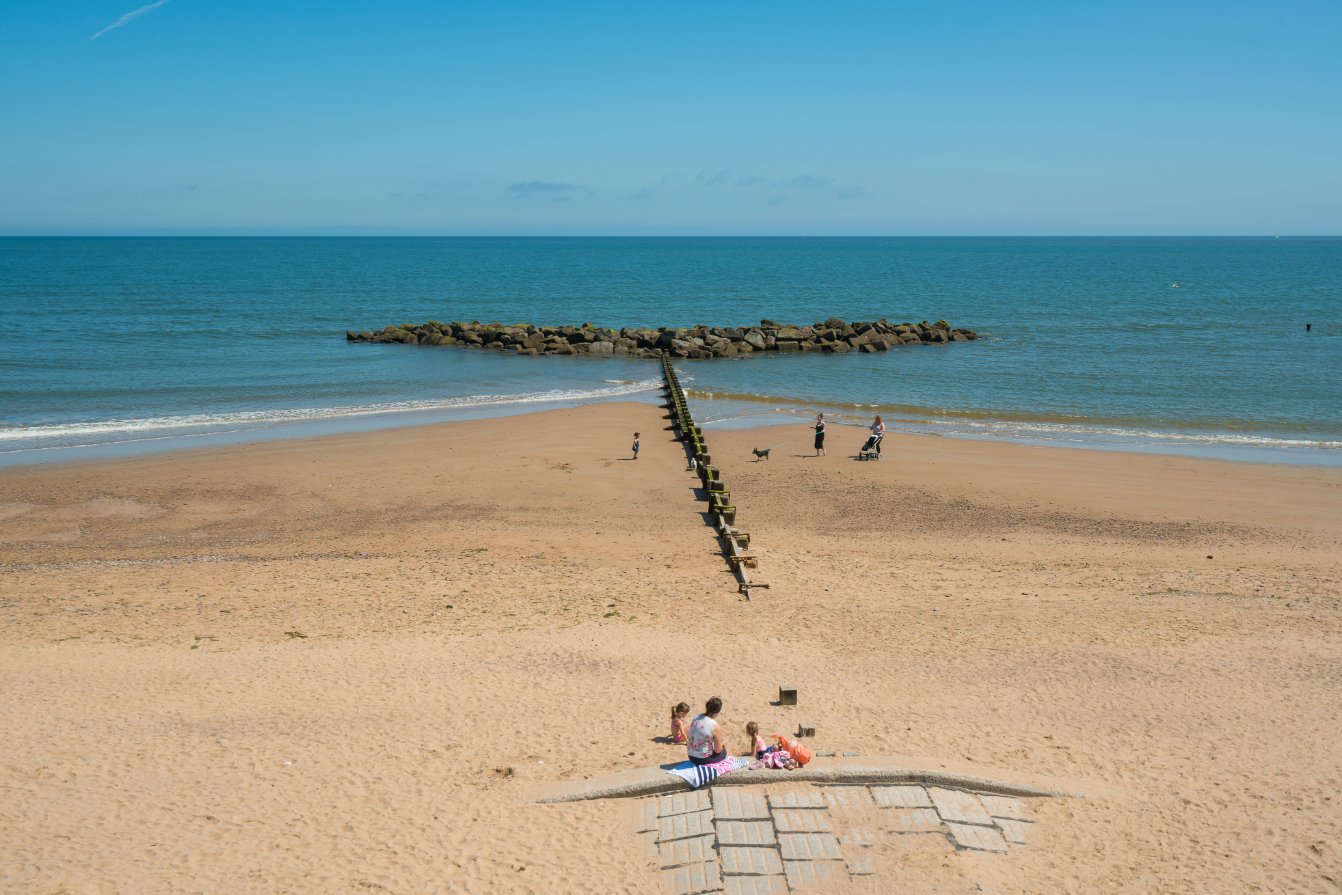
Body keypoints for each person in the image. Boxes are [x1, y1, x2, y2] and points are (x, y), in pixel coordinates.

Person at [686, 696, 729, 766]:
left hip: (691, 756)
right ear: (717, 712)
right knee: (727, 750)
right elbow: (717, 750)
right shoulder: (715, 726)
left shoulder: (697, 717)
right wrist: (721, 744)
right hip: (703, 758)